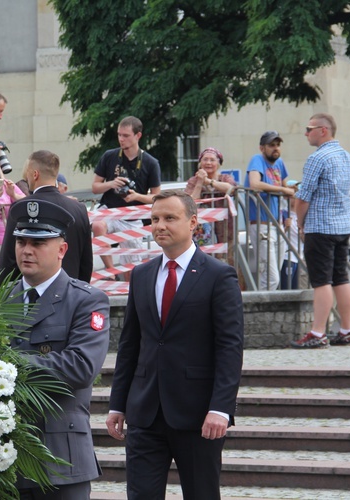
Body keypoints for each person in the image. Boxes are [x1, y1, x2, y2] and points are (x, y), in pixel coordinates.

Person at [106, 190, 243, 499]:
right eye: (154, 219)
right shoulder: (141, 275)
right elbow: (130, 344)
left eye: (169, 218)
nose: (160, 226)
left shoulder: (219, 276)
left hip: (197, 415)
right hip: (145, 413)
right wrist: (118, 403)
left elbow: (229, 347)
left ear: (193, 222)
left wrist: (221, 408)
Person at [7, 199, 110, 499]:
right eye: (21, 241)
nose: (27, 250)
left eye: (38, 242)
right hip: (8, 454)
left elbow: (81, 367)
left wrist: (6, 364)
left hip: (61, 457)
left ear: (62, 250)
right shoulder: (0, 300)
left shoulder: (86, 300)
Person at [293, 113, 350, 348]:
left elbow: (303, 196)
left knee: (321, 281)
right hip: (342, 225)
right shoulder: (346, 156)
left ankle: (318, 333)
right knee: (341, 277)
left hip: (320, 226)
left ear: (323, 130)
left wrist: (300, 223)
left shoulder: (317, 158)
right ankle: (347, 330)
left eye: (309, 128)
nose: (306, 133)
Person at [0, 150, 93, 283]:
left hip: (32, 295)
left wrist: (3, 294)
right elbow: (86, 261)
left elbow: (8, 260)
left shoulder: (21, 208)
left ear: (35, 174)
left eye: (28, 174)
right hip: (71, 294)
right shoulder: (79, 209)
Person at [91, 116, 161, 277]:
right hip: (110, 210)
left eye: (126, 135)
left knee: (131, 270)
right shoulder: (110, 156)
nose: (121, 139)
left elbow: (156, 198)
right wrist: (111, 184)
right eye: (119, 135)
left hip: (133, 217)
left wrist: (137, 196)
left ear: (138, 136)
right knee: (98, 225)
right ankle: (110, 271)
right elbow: (95, 187)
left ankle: (129, 294)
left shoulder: (150, 163)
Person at [244, 131, 295, 291]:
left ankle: (262, 311)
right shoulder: (257, 160)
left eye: (278, 145)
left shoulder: (279, 163)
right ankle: (261, 313)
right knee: (271, 277)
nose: (275, 148)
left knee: (271, 276)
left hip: (278, 225)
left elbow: (286, 190)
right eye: (271, 145)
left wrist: (291, 190)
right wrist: (283, 190)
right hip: (262, 225)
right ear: (262, 147)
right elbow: (254, 184)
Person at [184, 147, 237, 267]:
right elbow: (189, 202)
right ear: (200, 163)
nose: (208, 163)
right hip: (201, 233)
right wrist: (200, 183)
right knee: (204, 264)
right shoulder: (193, 181)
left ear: (218, 164)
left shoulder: (225, 178)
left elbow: (232, 189)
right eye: (205, 159)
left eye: (212, 160)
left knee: (225, 263)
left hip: (225, 230)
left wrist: (209, 182)